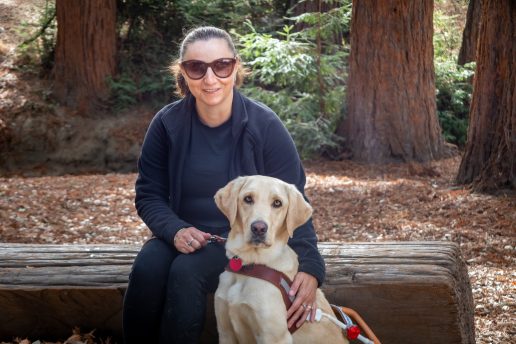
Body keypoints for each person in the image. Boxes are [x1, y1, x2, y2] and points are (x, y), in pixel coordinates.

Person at [122, 26, 325, 343]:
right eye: (196, 67)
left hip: (243, 243)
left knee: (186, 272)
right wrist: (174, 229)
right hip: (180, 232)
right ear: (183, 73)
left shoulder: (266, 126)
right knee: (147, 269)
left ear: (235, 67)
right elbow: (149, 194)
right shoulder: (166, 124)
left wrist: (310, 266)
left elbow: (292, 198)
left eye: (221, 65)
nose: (210, 78)